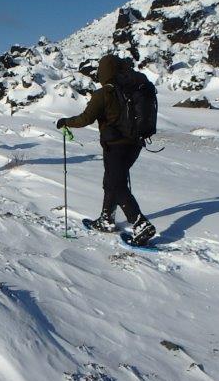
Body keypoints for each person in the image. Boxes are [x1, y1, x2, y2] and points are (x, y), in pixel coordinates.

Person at [56, 54, 157, 245]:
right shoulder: (132, 88)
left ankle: (140, 223)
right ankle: (106, 219)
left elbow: (85, 119)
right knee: (112, 180)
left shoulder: (104, 93)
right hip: (135, 144)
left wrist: (65, 122)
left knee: (116, 184)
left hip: (115, 146)